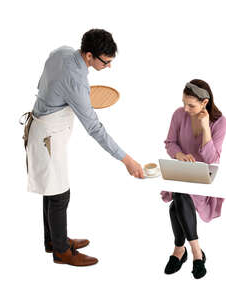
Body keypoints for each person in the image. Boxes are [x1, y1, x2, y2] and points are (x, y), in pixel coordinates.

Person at [23, 29, 144, 267]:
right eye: (105, 61)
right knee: (59, 195)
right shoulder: (76, 81)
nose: (108, 67)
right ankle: (61, 252)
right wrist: (127, 160)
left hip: (40, 125)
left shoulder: (62, 51)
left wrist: (65, 94)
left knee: (52, 189)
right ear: (89, 56)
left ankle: (53, 241)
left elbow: (45, 82)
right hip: (48, 136)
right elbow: (95, 129)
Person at [161, 79, 226, 279]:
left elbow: (212, 160)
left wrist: (205, 127)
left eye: (191, 105)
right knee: (180, 196)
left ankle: (181, 250)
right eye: (184, 102)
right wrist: (180, 155)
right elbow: (170, 143)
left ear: (205, 103)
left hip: (202, 180)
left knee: (177, 203)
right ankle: (196, 253)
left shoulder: (221, 122)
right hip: (181, 175)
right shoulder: (178, 115)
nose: (185, 108)